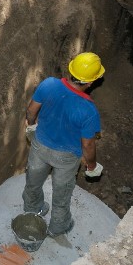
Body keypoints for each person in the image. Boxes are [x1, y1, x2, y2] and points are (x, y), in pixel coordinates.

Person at [22, 52, 105, 237]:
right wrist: (91, 166)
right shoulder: (89, 110)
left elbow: (31, 110)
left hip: (40, 146)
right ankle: (58, 227)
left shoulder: (48, 84)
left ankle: (32, 210)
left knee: (33, 183)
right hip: (66, 158)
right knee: (61, 195)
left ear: (71, 68)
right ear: (90, 82)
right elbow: (88, 145)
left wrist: (32, 127)